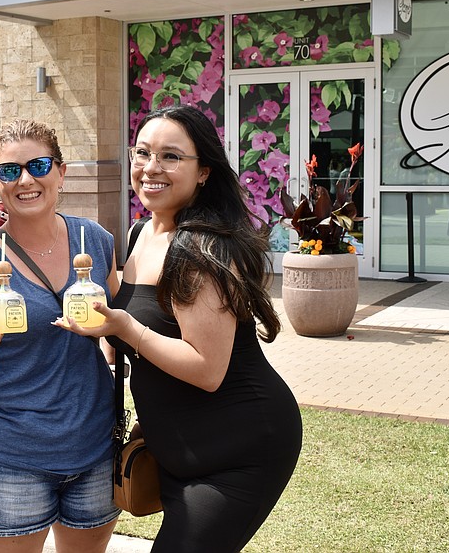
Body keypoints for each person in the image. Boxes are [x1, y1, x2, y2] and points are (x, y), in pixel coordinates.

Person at [55, 105, 303, 552]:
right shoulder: (139, 234)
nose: (151, 168)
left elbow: (206, 369)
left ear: (204, 171)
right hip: (176, 445)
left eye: (171, 157)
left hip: (239, 446)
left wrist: (124, 326)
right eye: (142, 152)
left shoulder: (203, 248)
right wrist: (102, 334)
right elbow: (138, 342)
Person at [0, 119, 121, 553]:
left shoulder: (95, 241)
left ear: (60, 171)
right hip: (9, 456)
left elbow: (120, 326)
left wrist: (113, 331)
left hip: (93, 446)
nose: (25, 179)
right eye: (9, 170)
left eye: (39, 165)